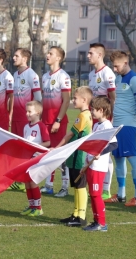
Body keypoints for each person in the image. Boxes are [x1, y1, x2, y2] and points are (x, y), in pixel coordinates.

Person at [104, 51, 136, 206]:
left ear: (126, 62)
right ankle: (121, 194)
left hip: (129, 124)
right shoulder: (119, 78)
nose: (115, 69)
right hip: (117, 124)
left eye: (117, 66)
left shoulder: (135, 79)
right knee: (118, 158)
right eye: (113, 66)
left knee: (132, 158)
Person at [55, 86, 92, 227]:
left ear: (84, 100)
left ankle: (81, 216)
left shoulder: (83, 116)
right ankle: (76, 214)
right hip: (77, 155)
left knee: (80, 186)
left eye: (75, 98)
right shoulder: (85, 115)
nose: (73, 100)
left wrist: (56, 148)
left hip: (79, 156)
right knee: (77, 186)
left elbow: (70, 134)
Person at [81, 97, 117, 232]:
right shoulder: (96, 125)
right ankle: (96, 221)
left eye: (93, 110)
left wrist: (100, 153)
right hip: (90, 165)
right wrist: (85, 163)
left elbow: (114, 144)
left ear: (101, 110)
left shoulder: (107, 126)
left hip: (98, 167)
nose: (91, 112)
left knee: (96, 194)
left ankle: (101, 223)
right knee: (93, 194)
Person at [40, 46, 71, 197]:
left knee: (60, 154)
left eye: (51, 53)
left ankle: (65, 186)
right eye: (47, 53)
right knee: (48, 153)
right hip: (45, 121)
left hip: (58, 122)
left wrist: (58, 120)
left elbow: (66, 101)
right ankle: (48, 185)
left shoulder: (63, 76)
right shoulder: (45, 76)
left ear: (58, 58)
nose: (47, 55)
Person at [9, 48, 42, 190]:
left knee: (26, 150)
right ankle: (18, 179)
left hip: (26, 119)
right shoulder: (15, 75)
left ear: (24, 59)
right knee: (16, 149)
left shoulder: (32, 75)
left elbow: (38, 98)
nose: (13, 58)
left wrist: (33, 117)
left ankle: (25, 181)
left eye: (16, 56)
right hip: (16, 117)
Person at [87, 43, 116, 200]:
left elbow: (113, 98)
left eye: (91, 53)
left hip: (105, 120)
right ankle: (95, 183)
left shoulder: (108, 73)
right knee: (93, 151)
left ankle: (106, 188)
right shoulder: (92, 74)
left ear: (99, 55)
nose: (88, 56)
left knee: (106, 154)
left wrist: (110, 119)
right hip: (94, 120)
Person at [21, 100, 50, 216]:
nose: (27, 114)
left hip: (36, 158)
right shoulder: (26, 127)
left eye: (29, 112)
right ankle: (31, 206)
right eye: (26, 111)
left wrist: (35, 147)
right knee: (27, 182)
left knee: (33, 182)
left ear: (37, 113)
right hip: (27, 158)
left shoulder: (41, 126)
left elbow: (47, 142)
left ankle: (38, 208)